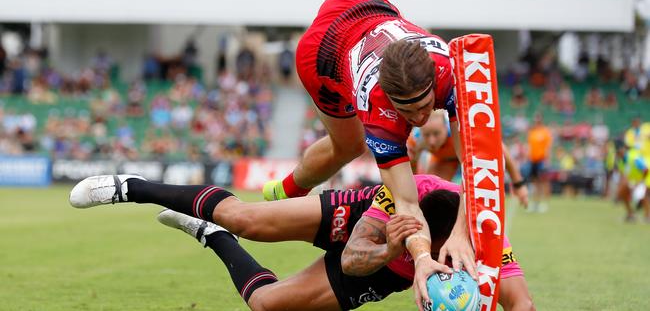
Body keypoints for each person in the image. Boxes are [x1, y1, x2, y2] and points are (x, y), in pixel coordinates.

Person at [260, 0, 475, 298]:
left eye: (425, 105)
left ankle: (288, 193)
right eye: (406, 110)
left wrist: (460, 233)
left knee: (468, 146)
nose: (418, 119)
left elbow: (474, 163)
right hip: (324, 49)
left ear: (434, 83)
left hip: (366, 3)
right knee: (348, 146)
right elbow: (406, 202)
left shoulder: (453, 72)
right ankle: (289, 191)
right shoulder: (377, 110)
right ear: (389, 101)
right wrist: (423, 258)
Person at [69, 174, 535, 311]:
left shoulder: (491, 246)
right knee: (247, 219)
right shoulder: (411, 196)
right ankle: (129, 186)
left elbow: (522, 305)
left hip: (387, 270)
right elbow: (354, 259)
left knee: (267, 305)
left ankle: (210, 236)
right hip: (366, 228)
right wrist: (398, 250)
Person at [407, 110, 529, 208]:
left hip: (470, 156)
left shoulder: (462, 131)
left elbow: (499, 147)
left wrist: (518, 184)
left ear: (446, 127)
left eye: (436, 133)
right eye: (427, 135)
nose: (432, 141)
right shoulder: (415, 140)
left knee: (479, 198)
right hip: (443, 161)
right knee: (431, 198)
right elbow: (413, 175)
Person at [527, 113, 553, 212]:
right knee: (534, 182)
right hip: (533, 160)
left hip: (542, 160)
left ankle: (544, 203)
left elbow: (548, 147)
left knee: (543, 182)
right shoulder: (532, 132)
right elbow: (530, 146)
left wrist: (547, 160)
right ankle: (535, 203)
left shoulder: (545, 132)